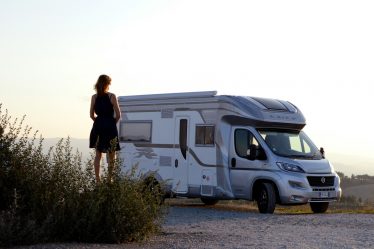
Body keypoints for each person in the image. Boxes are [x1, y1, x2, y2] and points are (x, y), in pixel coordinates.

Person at [89, 74, 121, 183]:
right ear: (107, 84)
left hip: (98, 126)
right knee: (112, 153)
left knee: (98, 154)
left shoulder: (94, 97)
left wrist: (99, 122)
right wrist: (111, 123)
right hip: (110, 126)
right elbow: (118, 115)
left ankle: (98, 180)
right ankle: (109, 178)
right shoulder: (112, 96)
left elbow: (91, 115)